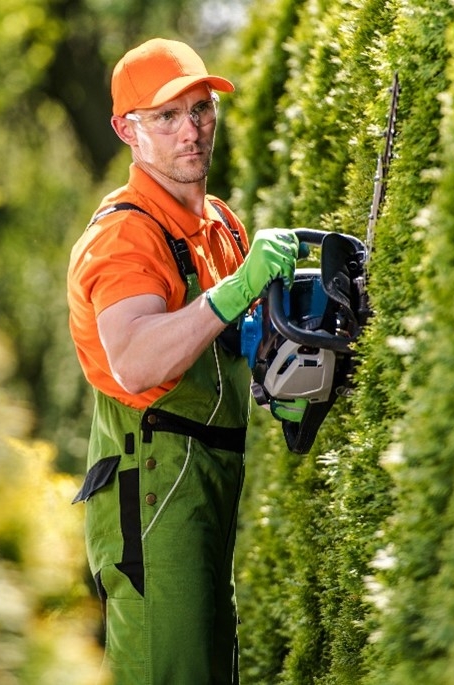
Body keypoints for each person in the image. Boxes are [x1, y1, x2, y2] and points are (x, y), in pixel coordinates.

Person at [66, 38, 299, 684]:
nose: (190, 130)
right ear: (125, 130)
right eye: (165, 117)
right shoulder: (124, 236)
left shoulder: (220, 226)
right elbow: (137, 360)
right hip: (152, 491)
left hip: (207, 483)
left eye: (199, 110)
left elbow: (234, 347)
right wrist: (235, 289)